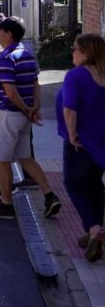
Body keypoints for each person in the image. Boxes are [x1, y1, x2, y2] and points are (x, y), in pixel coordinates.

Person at [0, 17, 61, 220]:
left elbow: (11, 92)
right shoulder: (27, 55)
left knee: (1, 161)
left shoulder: (7, 58)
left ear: (9, 34)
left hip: (7, 115)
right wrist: (33, 109)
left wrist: (27, 110)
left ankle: (6, 205)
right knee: (25, 158)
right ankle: (50, 195)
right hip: (23, 117)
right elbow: (35, 85)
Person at [57, 34, 105, 261]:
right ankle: (94, 232)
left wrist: (73, 133)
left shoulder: (75, 76)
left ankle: (95, 229)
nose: (72, 52)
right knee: (94, 185)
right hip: (101, 143)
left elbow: (70, 108)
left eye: (75, 49)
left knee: (74, 184)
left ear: (86, 53)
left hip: (81, 141)